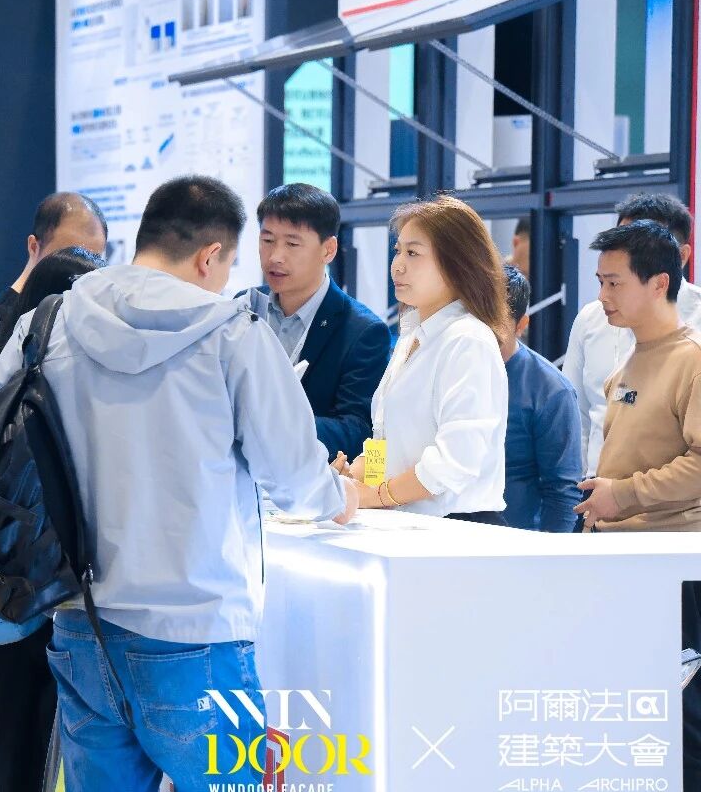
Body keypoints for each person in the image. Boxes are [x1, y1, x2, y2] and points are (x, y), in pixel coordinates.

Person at [0, 176, 357, 792]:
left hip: (81, 622)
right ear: (211, 255)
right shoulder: (234, 334)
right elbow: (295, 478)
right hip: (198, 630)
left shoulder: (48, 322)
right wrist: (341, 496)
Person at [0, 245, 105, 792]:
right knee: (55, 726)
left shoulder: (1, 371)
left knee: (10, 714)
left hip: (6, 571)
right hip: (59, 576)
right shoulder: (71, 377)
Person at [345, 194, 509, 523]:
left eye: (413, 253)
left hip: (456, 527)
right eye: (398, 251)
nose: (397, 265)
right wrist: (352, 477)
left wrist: (376, 495)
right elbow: (383, 438)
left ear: (456, 264)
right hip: (405, 521)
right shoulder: (411, 336)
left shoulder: (467, 340)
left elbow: (456, 461)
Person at [239, 183, 390, 459]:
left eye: (292, 244)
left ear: (328, 250)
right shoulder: (244, 305)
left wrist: (279, 427)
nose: (275, 257)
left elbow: (358, 430)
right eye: (267, 240)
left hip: (306, 475)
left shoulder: (362, 331)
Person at [563, 193, 701, 482]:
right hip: (598, 490)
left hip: (667, 501)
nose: (604, 295)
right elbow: (577, 415)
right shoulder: (592, 319)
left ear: (679, 256)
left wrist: (626, 493)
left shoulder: (691, 346)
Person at [0, 192, 107, 368]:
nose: (82, 268)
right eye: (67, 256)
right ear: (33, 247)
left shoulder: (91, 318)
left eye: (94, 259)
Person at [499, 265, 583, 532]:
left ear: (521, 325)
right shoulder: (450, 374)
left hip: (518, 541)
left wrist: (550, 553)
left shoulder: (551, 391)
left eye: (494, 327)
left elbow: (563, 492)